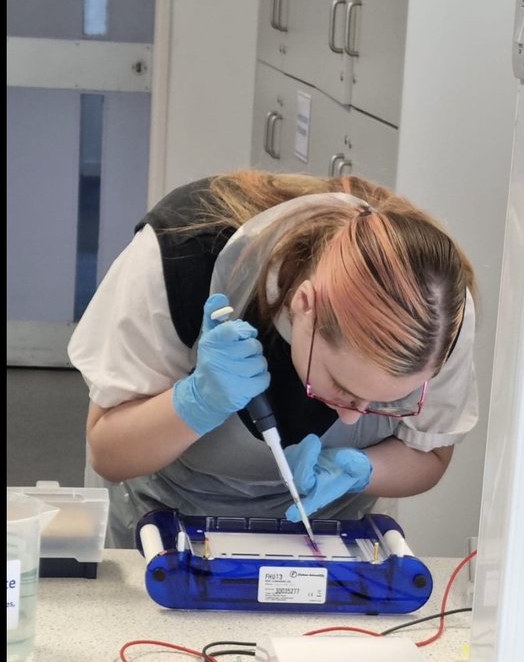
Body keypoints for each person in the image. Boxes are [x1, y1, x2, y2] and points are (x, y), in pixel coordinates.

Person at [67, 171, 478, 548]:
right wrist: (196, 402)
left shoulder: (439, 313)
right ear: (304, 306)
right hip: (162, 535)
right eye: (343, 387)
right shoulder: (182, 256)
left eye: (390, 402)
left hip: (323, 544)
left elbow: (431, 454)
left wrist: (365, 469)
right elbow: (108, 451)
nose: (356, 418)